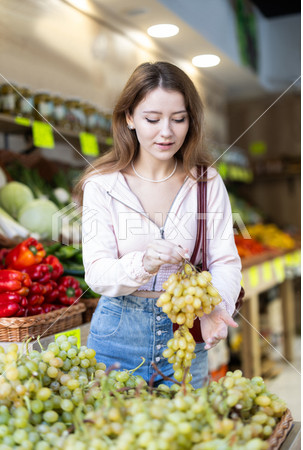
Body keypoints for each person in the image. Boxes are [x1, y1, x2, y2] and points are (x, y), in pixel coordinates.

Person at [74, 61, 242, 389]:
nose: (166, 132)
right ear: (129, 118)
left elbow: (225, 261)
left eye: (178, 119)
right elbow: (96, 272)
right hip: (117, 337)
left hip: (185, 334)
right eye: (152, 119)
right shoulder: (103, 185)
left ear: (190, 121)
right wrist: (145, 262)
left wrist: (213, 308)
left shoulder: (206, 182)